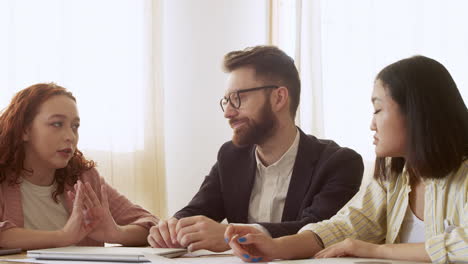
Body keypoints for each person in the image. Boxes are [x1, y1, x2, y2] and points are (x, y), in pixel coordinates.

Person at [225, 55, 468, 263]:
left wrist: (376, 250)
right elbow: (345, 226)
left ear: (415, 112)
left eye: (378, 110)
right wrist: (276, 247)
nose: (372, 124)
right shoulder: (394, 178)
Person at [147, 45, 364, 252]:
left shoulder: (340, 163)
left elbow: (318, 230)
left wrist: (231, 235)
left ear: (279, 98)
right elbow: (198, 209)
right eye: (226, 100)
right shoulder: (230, 156)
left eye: (238, 98)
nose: (228, 112)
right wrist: (172, 227)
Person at [0, 83, 158, 250]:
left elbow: (150, 224)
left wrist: (116, 233)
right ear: (24, 130)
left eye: (75, 126)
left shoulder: (83, 178)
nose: (70, 136)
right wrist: (63, 236)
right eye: (57, 124)